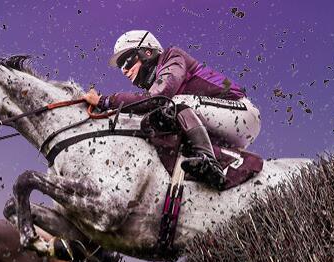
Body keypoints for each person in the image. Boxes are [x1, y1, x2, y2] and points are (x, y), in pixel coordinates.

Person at [82, 30, 259, 186]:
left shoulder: (172, 56)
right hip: (218, 126)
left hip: (242, 112)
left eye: (127, 62)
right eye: (120, 68)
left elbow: (159, 97)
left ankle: (210, 162)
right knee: (157, 120)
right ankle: (220, 161)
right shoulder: (157, 78)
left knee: (170, 103)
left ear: (147, 52)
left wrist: (105, 101)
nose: (124, 71)